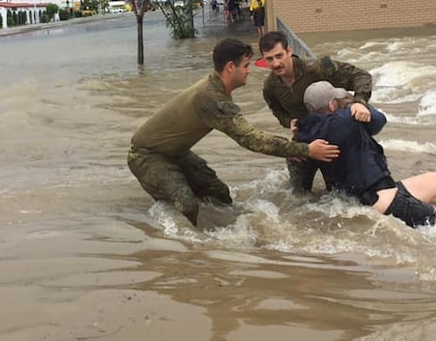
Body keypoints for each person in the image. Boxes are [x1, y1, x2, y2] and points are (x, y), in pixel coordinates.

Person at [128, 39, 340, 227]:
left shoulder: (216, 89)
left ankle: (229, 233)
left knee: (218, 192)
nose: (249, 71)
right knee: (187, 203)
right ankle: (193, 251)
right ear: (231, 67)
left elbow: (251, 134)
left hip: (175, 153)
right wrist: (306, 150)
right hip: (147, 156)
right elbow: (251, 139)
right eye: (246, 66)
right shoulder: (211, 98)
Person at [295, 81, 436, 227]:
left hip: (365, 199)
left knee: (435, 180)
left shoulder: (302, 137)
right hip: (380, 200)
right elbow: (379, 121)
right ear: (332, 105)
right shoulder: (346, 120)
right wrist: (357, 104)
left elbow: (301, 178)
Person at [259, 31, 373, 193]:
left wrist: (360, 102)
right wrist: (289, 121)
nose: (276, 63)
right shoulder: (270, 86)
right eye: (269, 59)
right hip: (305, 142)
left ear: (289, 51)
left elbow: (360, 75)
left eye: (279, 56)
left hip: (335, 139)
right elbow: (277, 110)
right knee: (297, 197)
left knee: (341, 197)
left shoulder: (319, 67)